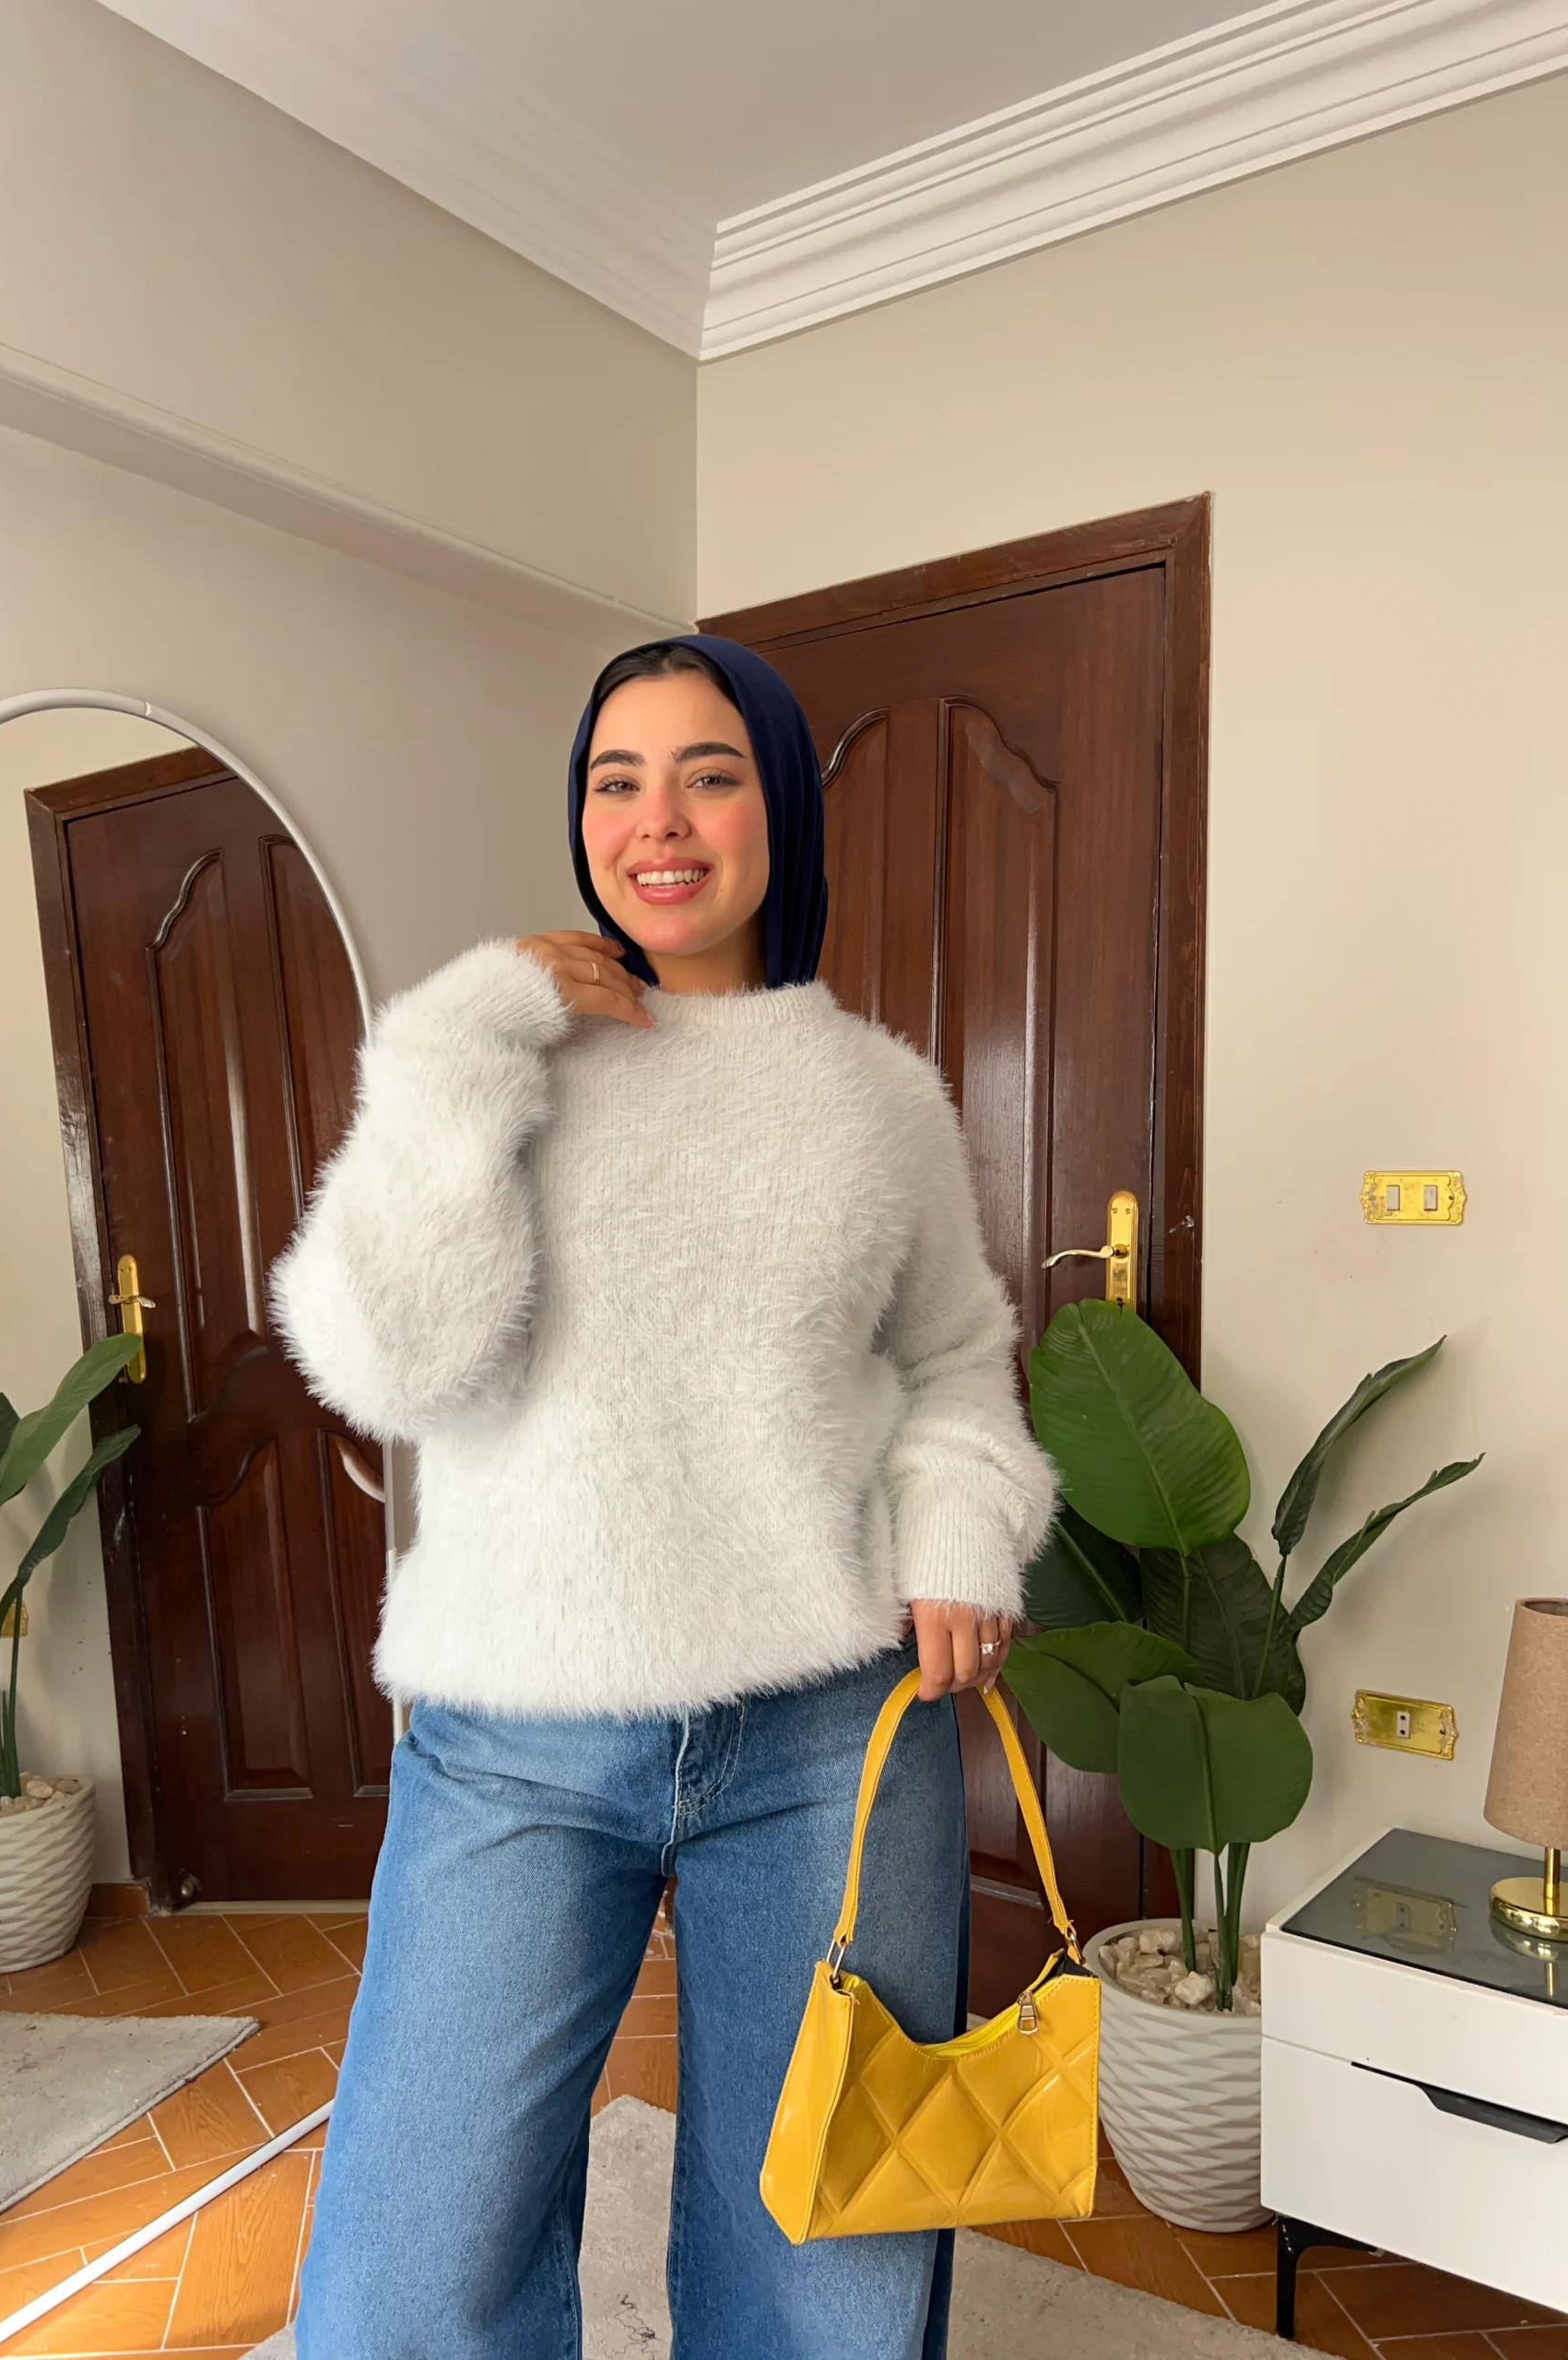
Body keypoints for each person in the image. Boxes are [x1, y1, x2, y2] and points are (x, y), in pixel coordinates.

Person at [272, 635, 1056, 2360]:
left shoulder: (880, 1095)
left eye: (711, 774)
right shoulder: (509, 1059)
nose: (661, 821)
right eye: (616, 781)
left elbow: (954, 1359)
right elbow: (392, 1363)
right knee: (407, 2274)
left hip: (831, 1731)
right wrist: (459, 1038)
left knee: (828, 2267)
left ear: (780, 809)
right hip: (517, 1727)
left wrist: (958, 1530)